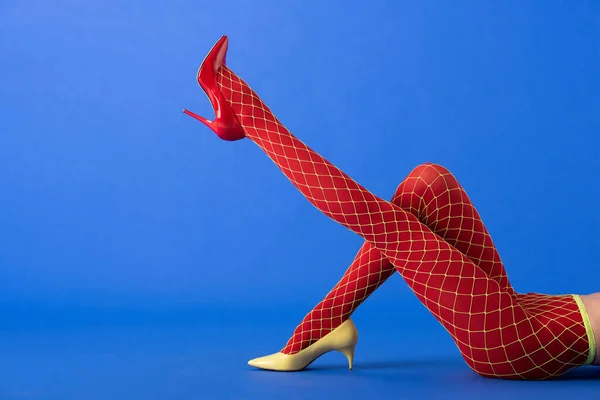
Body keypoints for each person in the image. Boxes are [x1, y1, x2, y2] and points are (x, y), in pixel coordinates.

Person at [183, 36, 599, 380]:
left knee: (388, 225)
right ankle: (325, 323)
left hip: (515, 341)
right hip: (527, 306)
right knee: (427, 184)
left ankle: (244, 110)